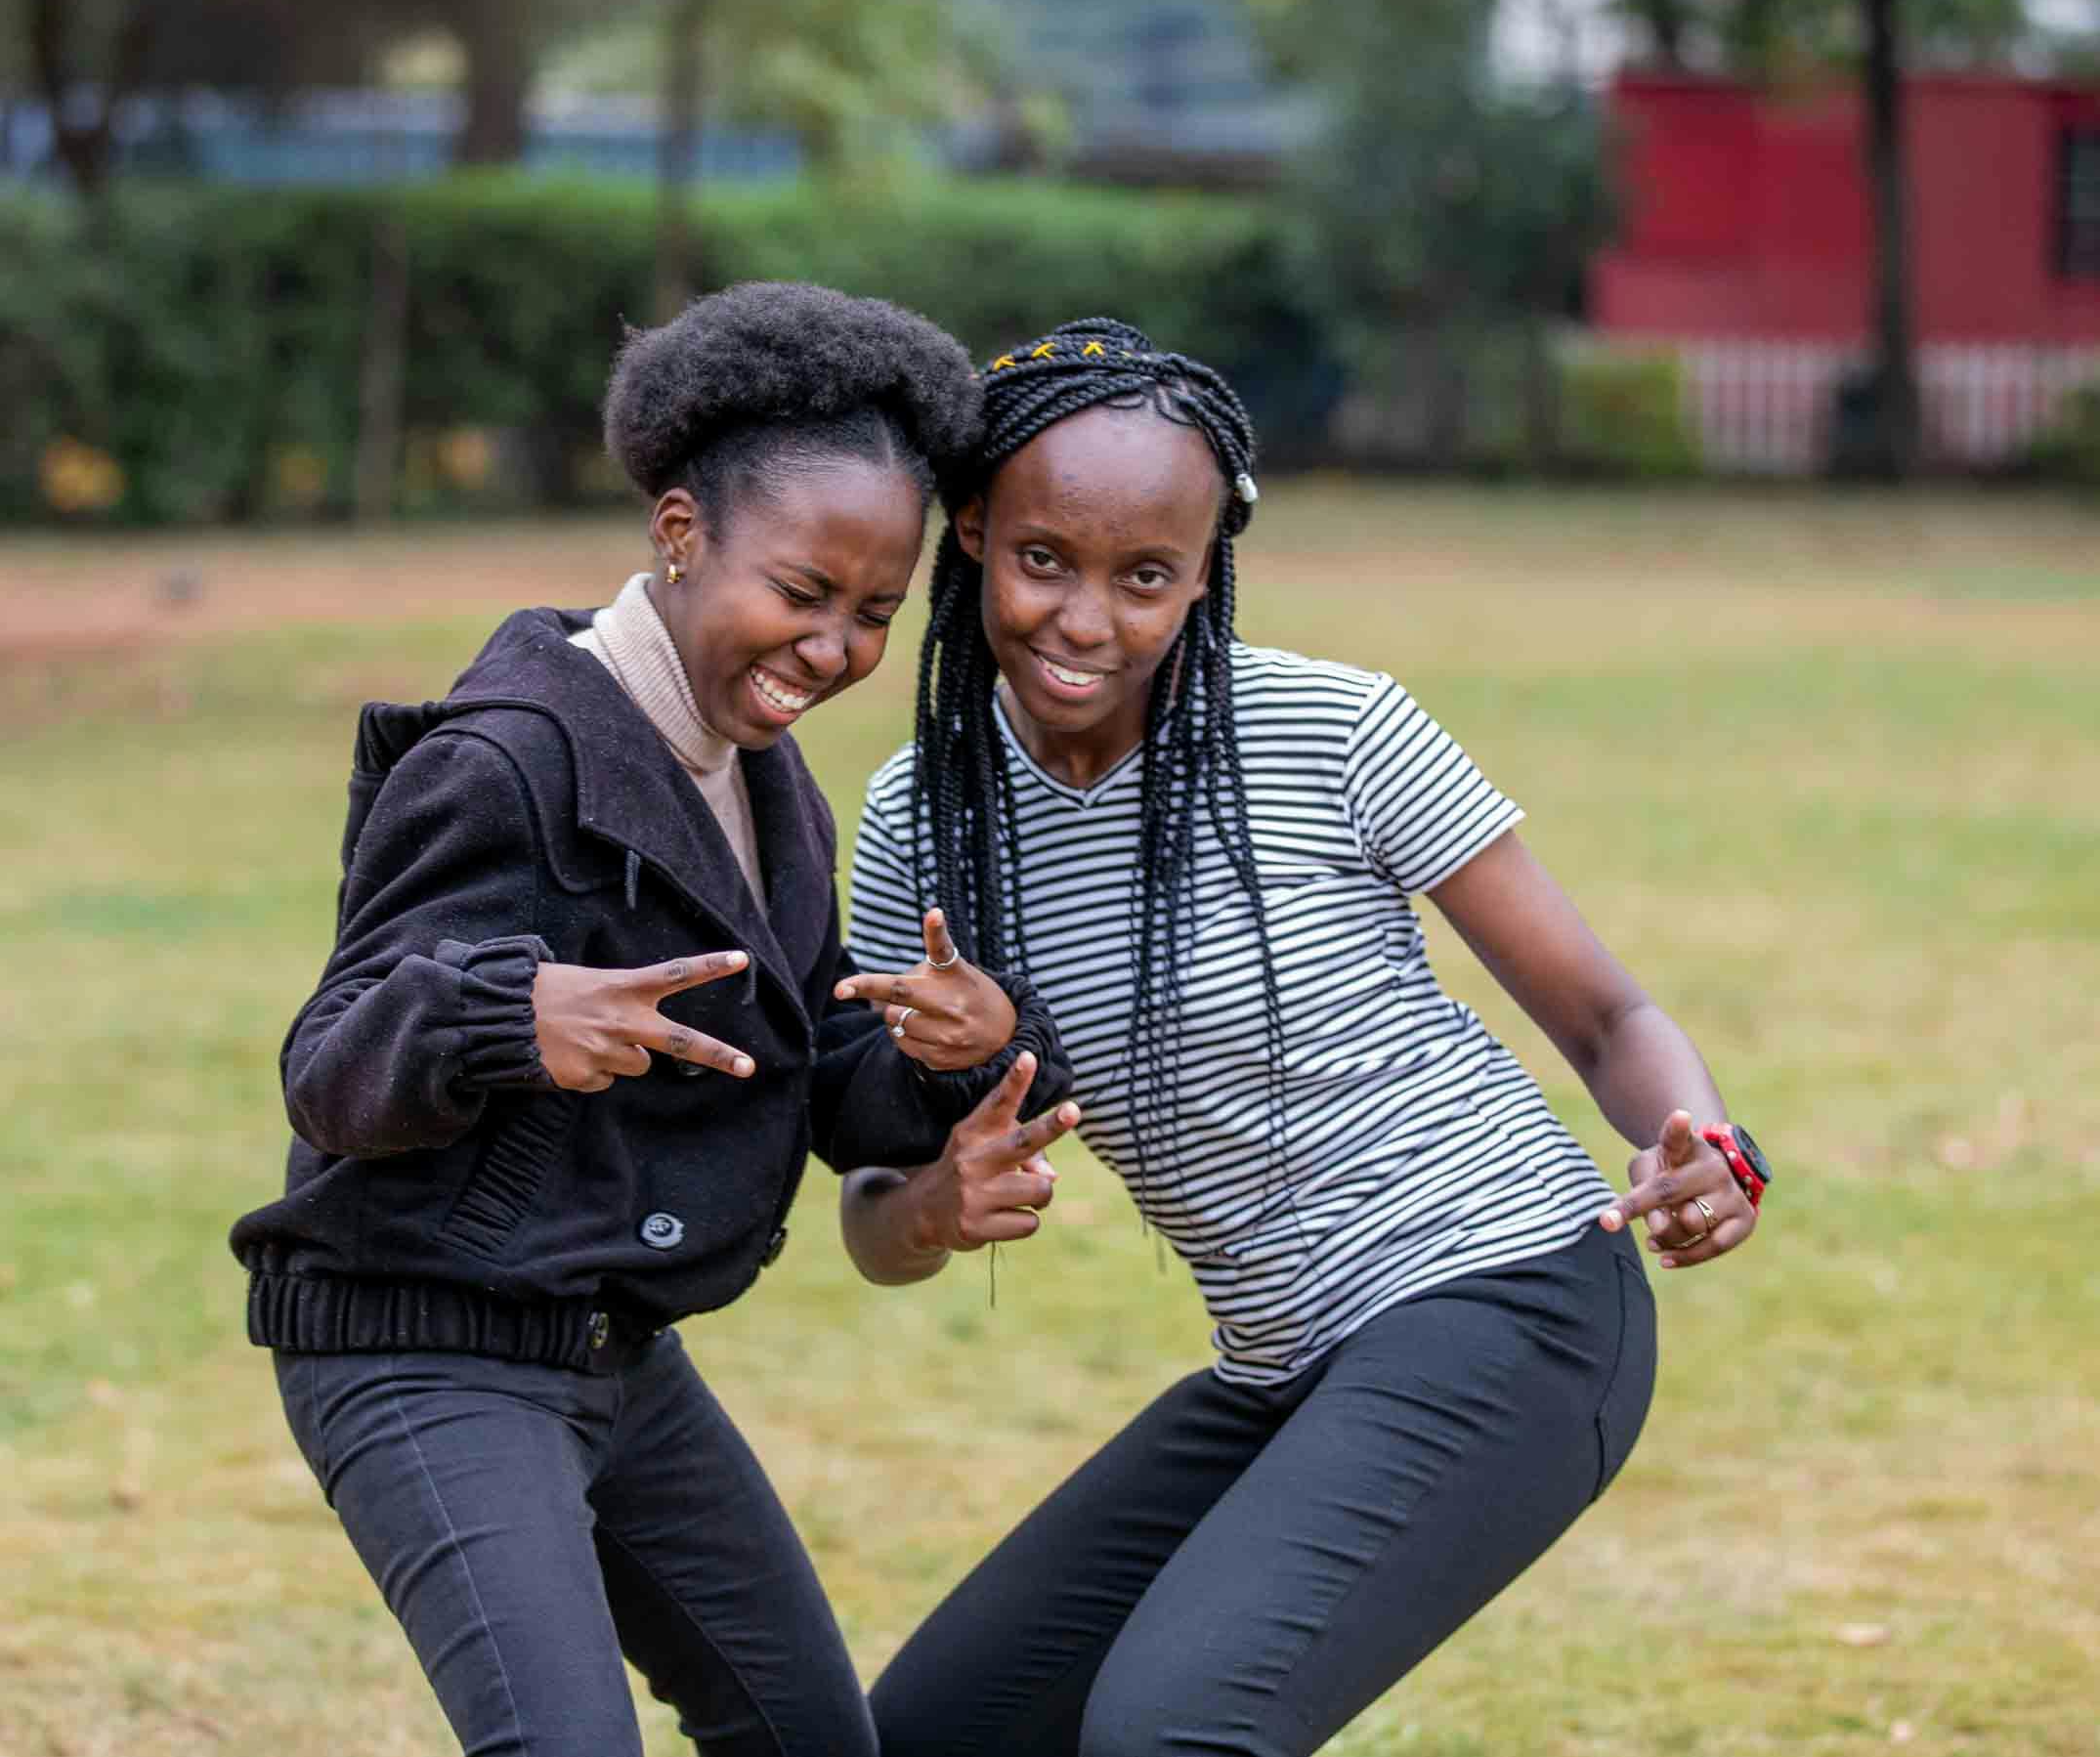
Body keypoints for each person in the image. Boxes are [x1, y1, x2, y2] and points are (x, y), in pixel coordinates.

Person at [836, 319, 1772, 1757]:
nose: (1087, 620)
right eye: (1044, 561)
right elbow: (873, 1225)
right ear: (970, 533)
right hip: (1280, 1361)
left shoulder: (1330, 729)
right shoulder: (921, 825)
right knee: (931, 1734)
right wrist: (941, 1194)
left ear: (1202, 572)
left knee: (1170, 1733)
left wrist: (1705, 1140)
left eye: (1145, 575)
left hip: (1507, 1299)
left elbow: (1606, 1013)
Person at [229, 281, 1080, 1757]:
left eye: (875, 612)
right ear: (679, 532)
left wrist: (956, 1053)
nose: (833, 647)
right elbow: (332, 1062)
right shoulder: (505, 760)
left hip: (616, 1357)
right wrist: (514, 1013)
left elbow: (812, 1078)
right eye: (802, 593)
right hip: (425, 1345)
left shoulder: (767, 790)